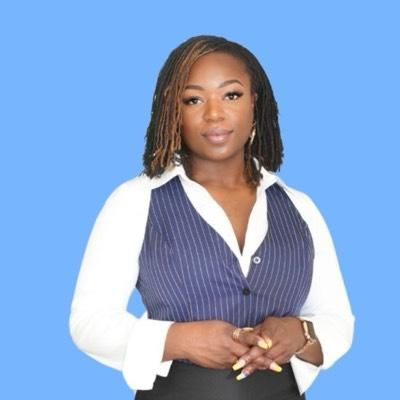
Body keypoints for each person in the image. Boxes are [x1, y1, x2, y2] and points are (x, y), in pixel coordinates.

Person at [69, 35, 355, 400]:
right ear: (173, 110)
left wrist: (301, 333)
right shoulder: (136, 201)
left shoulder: (299, 208)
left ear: (254, 102)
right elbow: (89, 323)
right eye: (193, 99)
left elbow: (338, 320)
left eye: (231, 95)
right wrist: (180, 339)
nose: (214, 114)